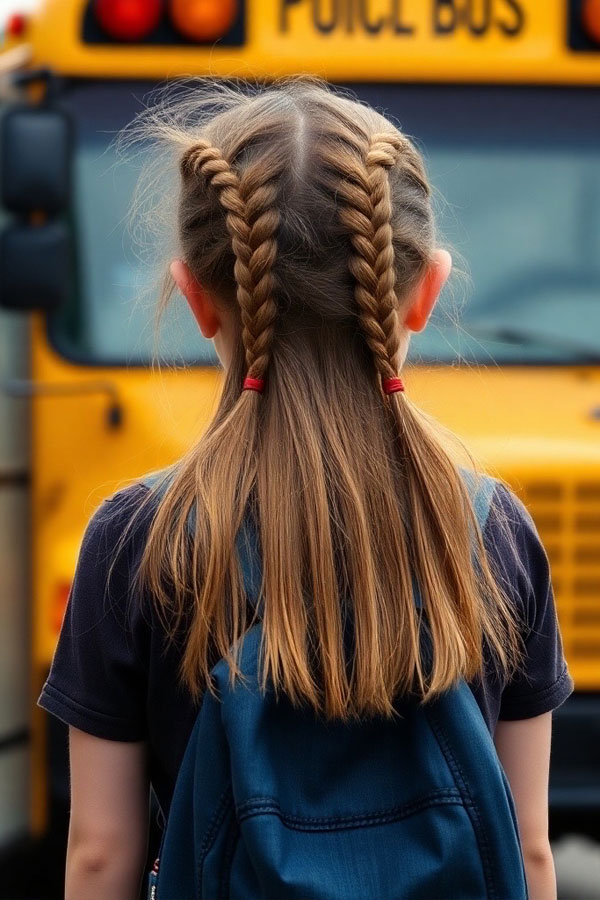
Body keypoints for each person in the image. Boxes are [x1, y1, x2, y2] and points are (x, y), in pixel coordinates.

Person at [38, 79, 573, 900]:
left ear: (196, 299)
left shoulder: (135, 539)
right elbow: (528, 850)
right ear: (426, 292)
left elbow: (101, 855)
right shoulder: (493, 530)